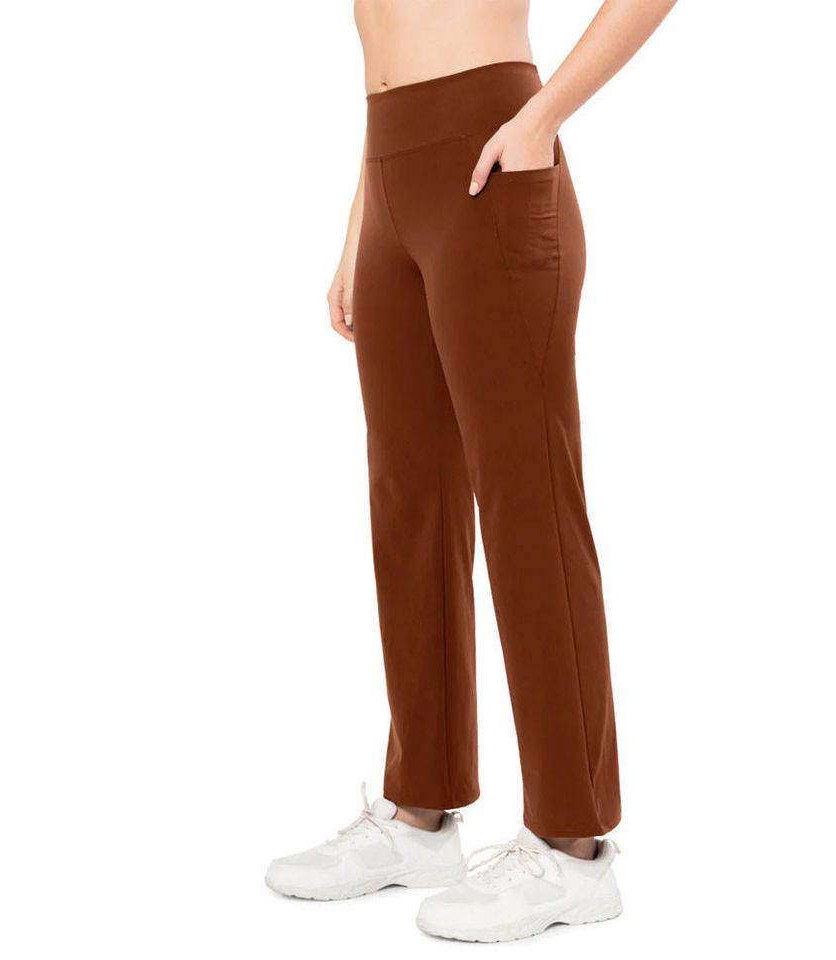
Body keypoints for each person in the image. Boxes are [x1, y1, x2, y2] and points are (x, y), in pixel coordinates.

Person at [267, 0, 677, 942]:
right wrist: (361, 224)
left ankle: (572, 846)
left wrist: (541, 118)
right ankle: (419, 815)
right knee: (409, 503)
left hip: (494, 154)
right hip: (390, 175)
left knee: (529, 505)